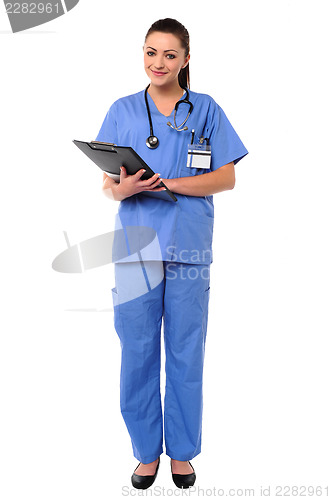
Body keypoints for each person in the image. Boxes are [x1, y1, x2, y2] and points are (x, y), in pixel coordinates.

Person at [96, 18, 248, 489]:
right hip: (137, 247)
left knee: (185, 353)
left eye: (167, 54)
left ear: (185, 60)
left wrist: (174, 184)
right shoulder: (122, 110)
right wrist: (125, 188)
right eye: (149, 53)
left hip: (187, 245)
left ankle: (181, 452)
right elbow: (107, 187)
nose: (156, 63)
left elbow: (226, 177)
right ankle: (145, 452)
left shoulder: (205, 110)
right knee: (137, 352)